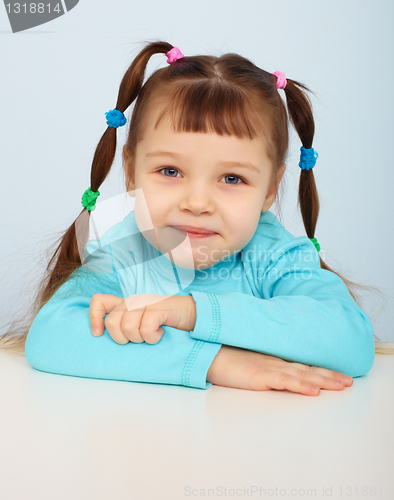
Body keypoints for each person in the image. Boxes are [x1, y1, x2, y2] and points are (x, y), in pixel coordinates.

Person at [2, 41, 392, 395]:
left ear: (269, 191)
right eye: (170, 171)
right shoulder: (128, 249)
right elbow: (52, 337)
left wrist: (191, 311)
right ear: (132, 172)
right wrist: (215, 362)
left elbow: (351, 341)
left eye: (232, 178)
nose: (198, 202)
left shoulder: (276, 256)